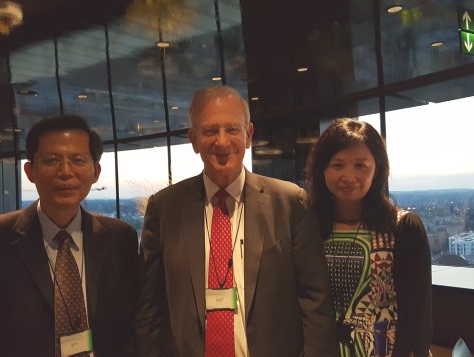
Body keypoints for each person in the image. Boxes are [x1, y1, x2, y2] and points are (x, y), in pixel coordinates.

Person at [136, 85, 336, 357]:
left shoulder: (289, 202)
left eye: (232, 129)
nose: (222, 141)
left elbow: (316, 302)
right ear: (193, 140)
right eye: (209, 131)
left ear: (248, 134)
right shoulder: (164, 208)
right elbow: (149, 309)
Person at [0, 115, 139, 357]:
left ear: (95, 171)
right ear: (30, 170)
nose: (66, 172)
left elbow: (131, 327)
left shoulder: (120, 238)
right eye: (51, 160)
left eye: (78, 160)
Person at [305, 118, 432, 357]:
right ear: (322, 170)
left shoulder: (402, 227)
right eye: (337, 165)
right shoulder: (308, 226)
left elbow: (418, 314)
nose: (348, 175)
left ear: (377, 169)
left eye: (360, 165)